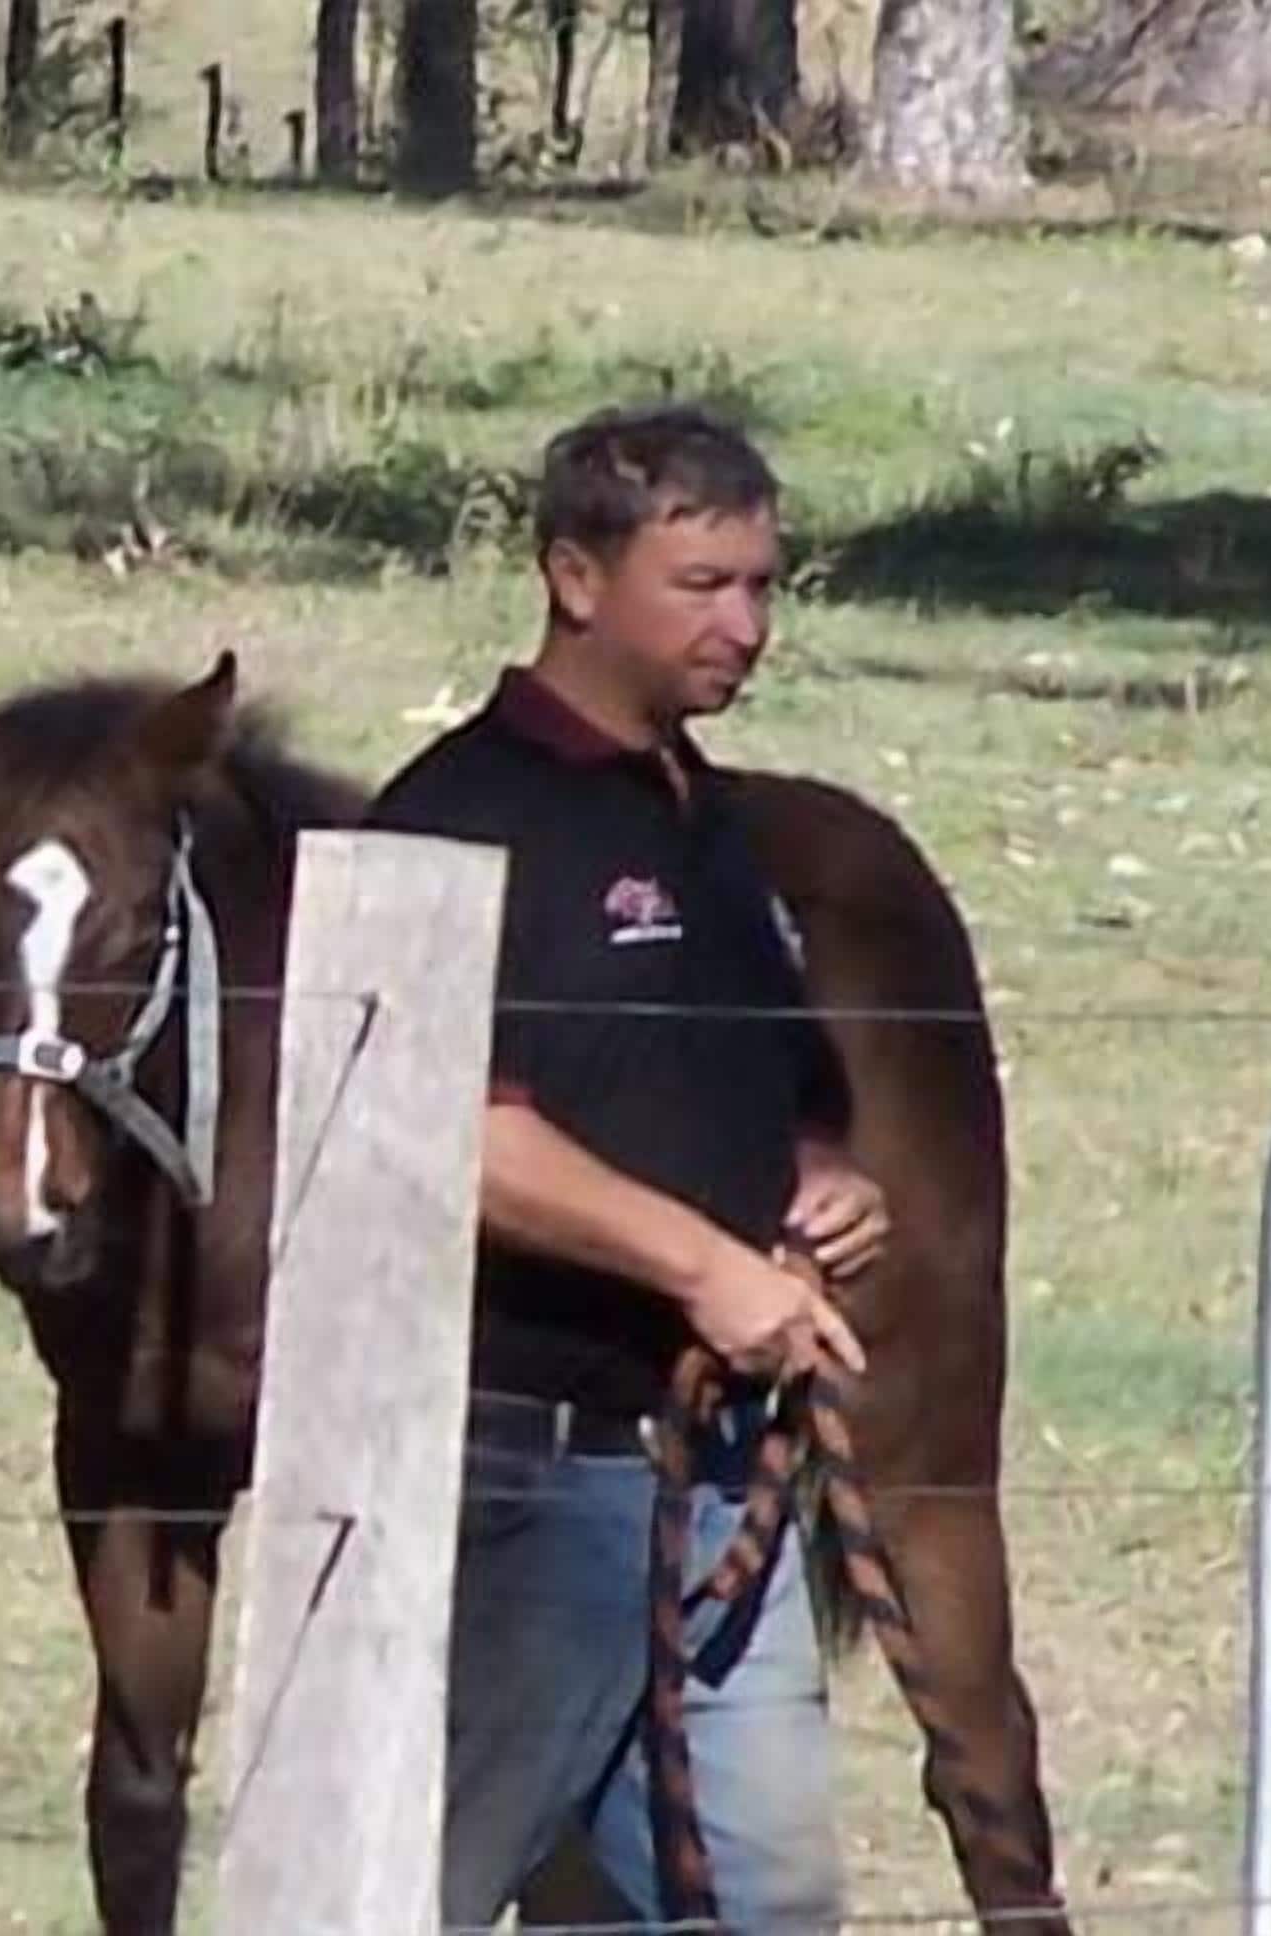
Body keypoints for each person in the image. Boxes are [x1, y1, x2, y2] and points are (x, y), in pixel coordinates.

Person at [363, 402, 893, 1932]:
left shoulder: (709, 824)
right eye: (704, 585)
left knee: (769, 1901)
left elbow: (785, 1093)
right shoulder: (460, 822)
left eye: (764, 585)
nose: (747, 626)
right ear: (575, 581)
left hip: (720, 1471)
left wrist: (818, 1176)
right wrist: (706, 1267)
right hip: (522, 1479)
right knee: (412, 1890)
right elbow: (448, 1136)